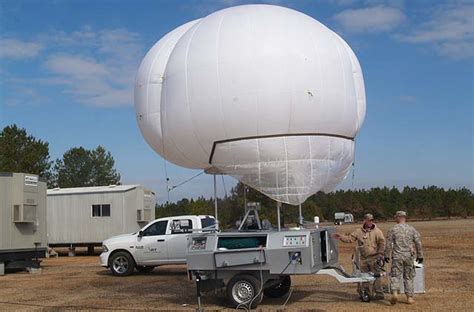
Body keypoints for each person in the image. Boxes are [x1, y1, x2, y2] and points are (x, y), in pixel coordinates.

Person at [334, 213, 386, 299]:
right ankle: (366, 293)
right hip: (363, 259)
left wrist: (380, 253)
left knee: (376, 276)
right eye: (369, 220)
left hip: (374, 258)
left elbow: (382, 242)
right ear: (365, 221)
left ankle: (379, 294)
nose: (370, 222)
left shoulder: (377, 231)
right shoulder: (358, 232)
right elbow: (350, 239)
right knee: (364, 277)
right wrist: (340, 237)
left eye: (372, 220)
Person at [385, 211, 423, 305]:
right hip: (408, 256)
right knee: (408, 277)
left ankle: (394, 293)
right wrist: (420, 255)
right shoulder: (411, 229)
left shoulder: (393, 229)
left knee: (395, 275)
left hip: (397, 256)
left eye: (395, 217)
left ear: (398, 217)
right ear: (404, 218)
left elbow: (388, 244)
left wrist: (386, 255)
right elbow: (418, 243)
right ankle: (409, 297)